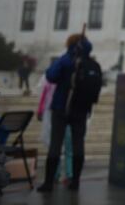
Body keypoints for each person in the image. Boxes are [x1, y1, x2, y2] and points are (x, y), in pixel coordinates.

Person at [36, 34, 93, 192]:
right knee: (78, 145)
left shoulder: (66, 60)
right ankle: (75, 181)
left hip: (61, 107)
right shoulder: (90, 62)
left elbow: (51, 76)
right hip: (81, 109)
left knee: (55, 144)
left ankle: (49, 182)